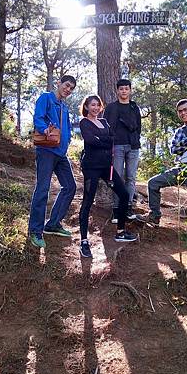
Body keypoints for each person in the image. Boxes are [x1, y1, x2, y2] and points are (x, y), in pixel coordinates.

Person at [139, 99, 187, 259]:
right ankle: (155, 216)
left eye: (186, 109)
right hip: (180, 169)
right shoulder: (178, 131)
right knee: (153, 183)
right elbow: (173, 148)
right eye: (180, 111)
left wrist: (185, 144)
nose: (183, 113)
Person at [78, 95, 138, 258]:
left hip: (107, 168)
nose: (95, 108)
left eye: (98, 105)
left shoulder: (104, 122)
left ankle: (120, 231)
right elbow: (90, 141)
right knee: (87, 202)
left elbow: (113, 139)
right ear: (87, 107)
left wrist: (102, 140)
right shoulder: (84, 122)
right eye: (92, 105)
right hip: (91, 167)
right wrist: (105, 140)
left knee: (124, 194)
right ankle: (84, 241)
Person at [28, 75, 77, 249]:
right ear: (59, 83)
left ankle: (53, 224)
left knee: (70, 187)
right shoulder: (46, 98)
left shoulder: (64, 107)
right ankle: (35, 231)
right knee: (43, 189)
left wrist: (68, 140)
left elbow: (67, 129)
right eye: (66, 85)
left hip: (61, 154)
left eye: (71, 88)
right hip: (46, 151)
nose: (68, 89)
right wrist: (44, 129)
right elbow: (38, 118)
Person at [103, 78, 141, 223]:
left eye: (126, 88)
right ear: (117, 91)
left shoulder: (134, 107)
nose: (124, 91)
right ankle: (117, 210)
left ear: (130, 90)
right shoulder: (111, 108)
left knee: (131, 178)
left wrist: (136, 140)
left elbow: (139, 127)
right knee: (117, 178)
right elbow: (106, 127)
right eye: (121, 89)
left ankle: (129, 206)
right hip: (117, 146)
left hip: (133, 147)